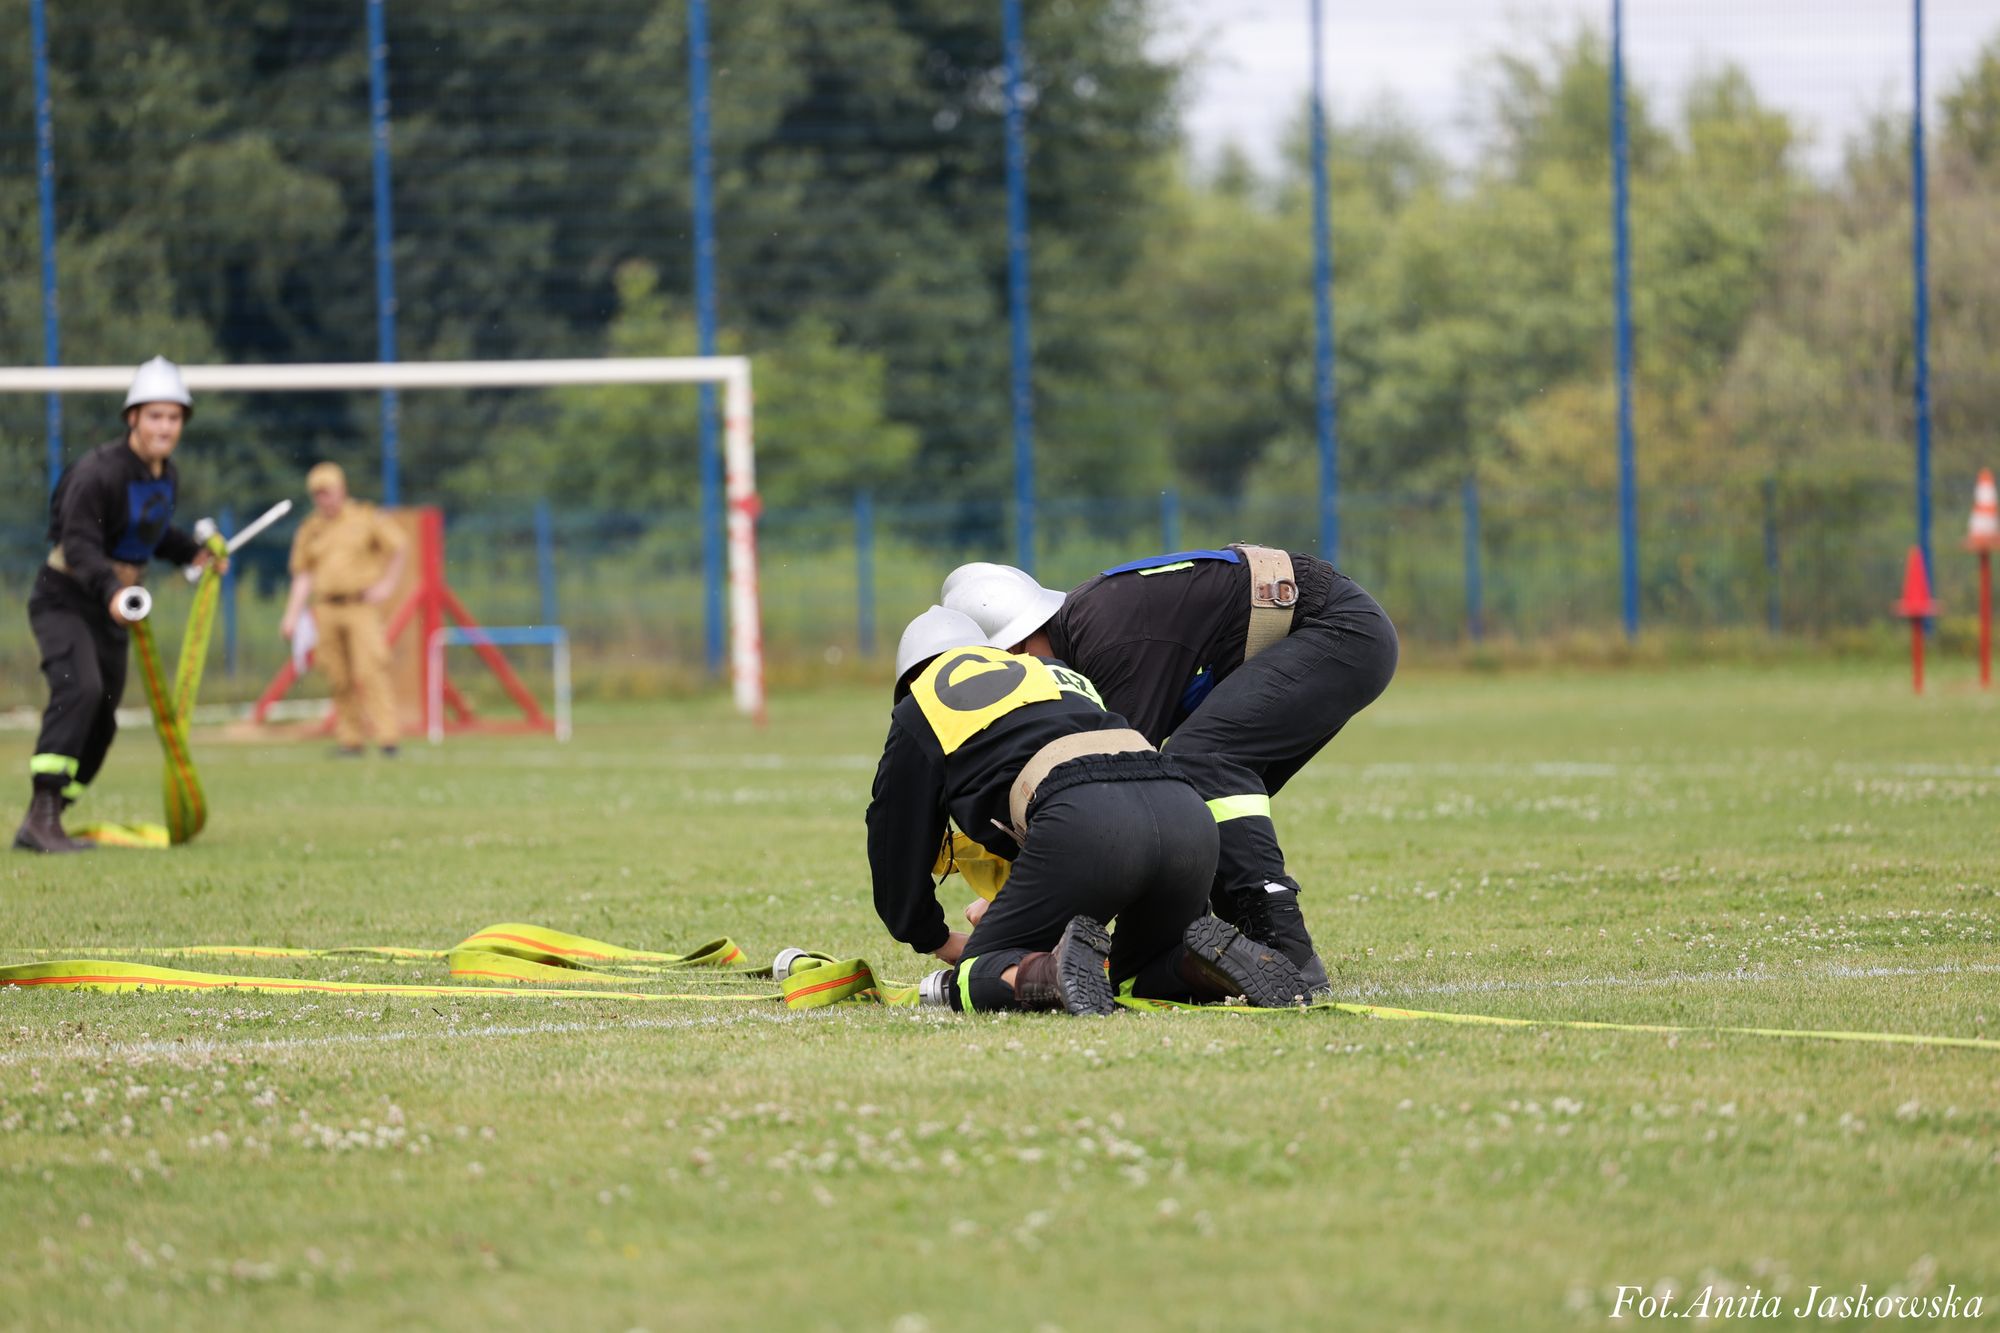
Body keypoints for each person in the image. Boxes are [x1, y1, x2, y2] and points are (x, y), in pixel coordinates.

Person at [943, 547, 1400, 996]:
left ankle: (1287, 953)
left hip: (1339, 629)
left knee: (1200, 761)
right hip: (1323, 629)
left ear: (1018, 645)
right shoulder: (1086, 632)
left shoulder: (1108, 639)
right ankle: (1233, 953)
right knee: (1192, 791)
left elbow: (1120, 793)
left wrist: (1020, 906)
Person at [866, 606, 1308, 1015]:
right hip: (1184, 811)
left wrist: (933, 938)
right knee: (1139, 976)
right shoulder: (1051, 671)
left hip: (1086, 819)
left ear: (910, 679)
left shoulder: (922, 703)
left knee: (973, 977)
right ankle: (1205, 968)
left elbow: (893, 835)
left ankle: (1048, 971)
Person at [17, 357, 225, 853]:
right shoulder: (97, 473)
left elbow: (150, 533)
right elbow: (80, 544)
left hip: (115, 609)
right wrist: (112, 589)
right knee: (81, 689)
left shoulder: (164, 476)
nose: (165, 427)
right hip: (66, 600)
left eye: (174, 418)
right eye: (155, 416)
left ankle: (51, 817)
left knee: (104, 717)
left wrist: (192, 554)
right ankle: (40, 814)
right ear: (132, 418)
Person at [279, 462, 408, 756]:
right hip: (325, 608)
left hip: (359, 605)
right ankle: (351, 740)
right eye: (318, 494)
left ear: (342, 490)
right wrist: (291, 615)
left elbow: (399, 545)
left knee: (370, 669)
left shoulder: (364, 518)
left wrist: (387, 585)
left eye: (329, 493)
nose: (325, 500)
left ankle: (388, 738)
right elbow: (303, 575)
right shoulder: (311, 528)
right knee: (338, 676)